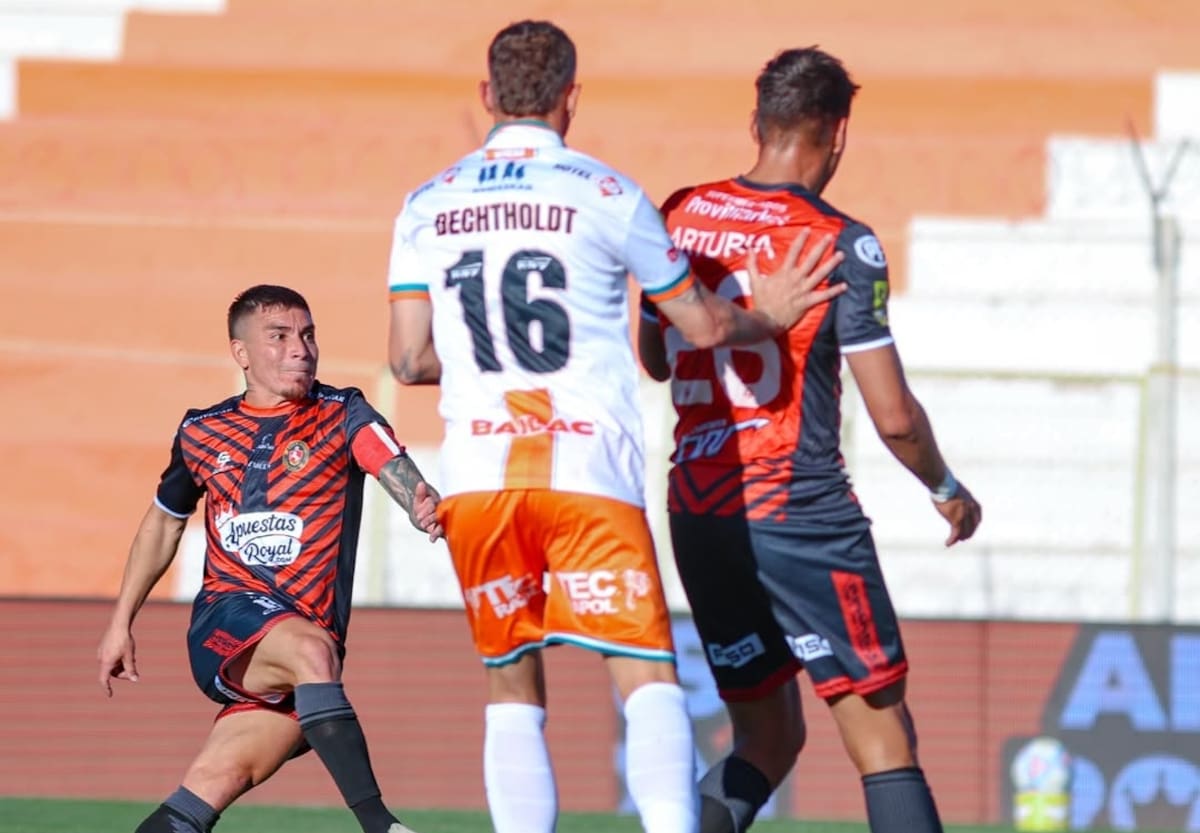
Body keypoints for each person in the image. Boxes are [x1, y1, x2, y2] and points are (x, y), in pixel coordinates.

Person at [385, 20, 845, 833]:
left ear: (488, 95)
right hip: (588, 469)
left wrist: (489, 371)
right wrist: (764, 315)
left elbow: (411, 359)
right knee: (646, 674)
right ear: (570, 99)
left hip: (482, 480)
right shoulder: (606, 193)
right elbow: (698, 327)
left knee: (511, 684)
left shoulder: (426, 203)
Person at [638, 47, 983, 833]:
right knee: (883, 736)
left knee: (769, 733)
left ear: (755, 122)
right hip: (797, 509)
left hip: (700, 508)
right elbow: (894, 417)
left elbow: (656, 357)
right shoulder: (839, 242)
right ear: (838, 134)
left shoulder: (682, 212)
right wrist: (946, 488)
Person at [96, 284, 443, 833]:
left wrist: (418, 499)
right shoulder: (201, 430)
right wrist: (120, 623)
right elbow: (165, 520)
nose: (299, 349)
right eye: (279, 337)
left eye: (307, 335)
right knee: (309, 649)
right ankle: (381, 825)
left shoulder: (341, 411)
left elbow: (388, 460)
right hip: (228, 621)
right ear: (242, 354)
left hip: (309, 662)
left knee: (204, 791)